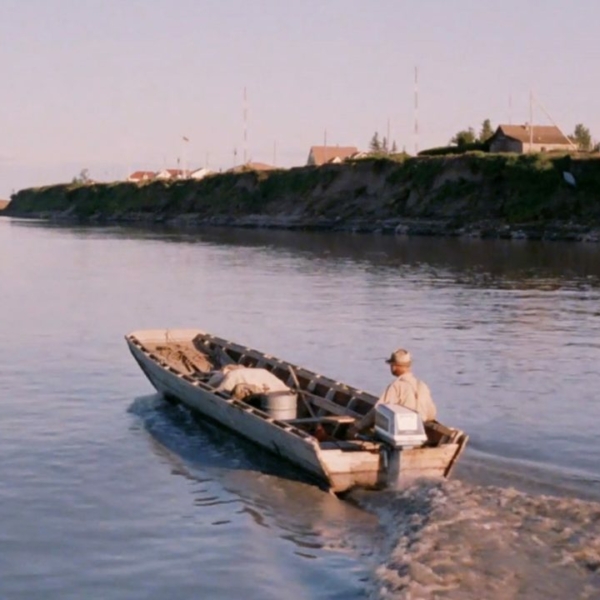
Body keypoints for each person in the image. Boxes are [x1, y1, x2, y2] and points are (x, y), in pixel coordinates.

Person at [347, 348, 437, 438]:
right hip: (420, 433)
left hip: (401, 434)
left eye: (392, 365)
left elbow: (377, 410)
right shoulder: (422, 385)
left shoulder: (396, 386)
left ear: (394, 366)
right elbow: (431, 414)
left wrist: (357, 427)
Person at [208, 364, 294, 401]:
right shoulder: (234, 374)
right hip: (271, 387)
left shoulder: (233, 375)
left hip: (269, 388)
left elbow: (218, 392)